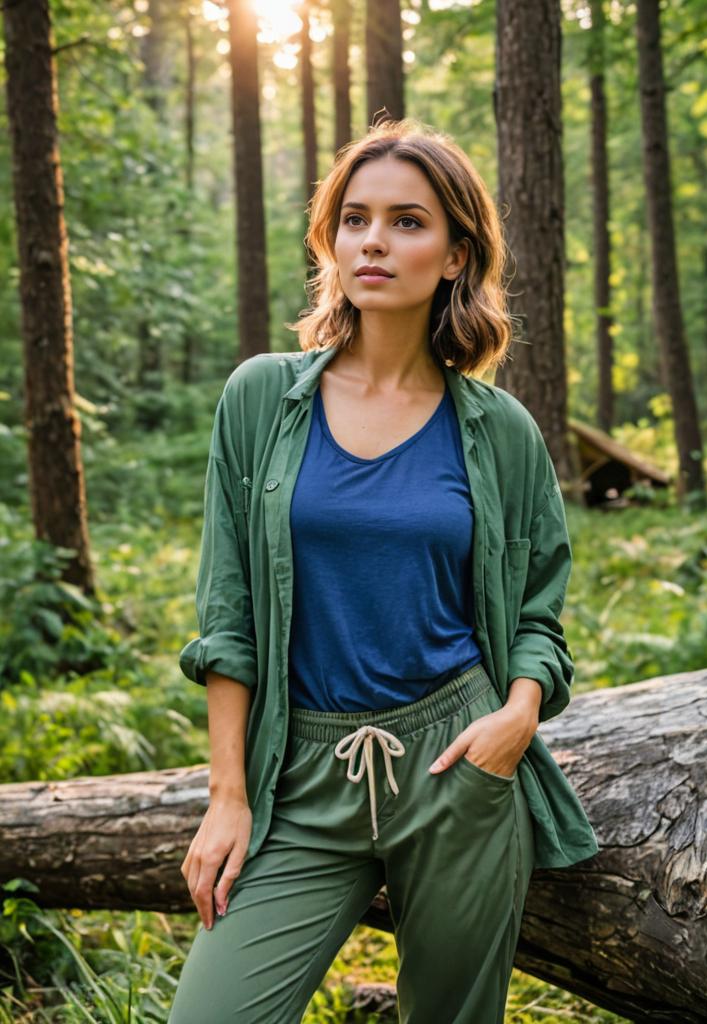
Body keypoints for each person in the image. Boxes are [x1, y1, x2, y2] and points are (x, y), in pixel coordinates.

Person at [168, 118, 599, 1024]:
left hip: (459, 766)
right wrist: (229, 797)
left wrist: (515, 717)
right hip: (301, 769)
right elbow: (228, 614)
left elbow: (538, 614)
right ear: (330, 240)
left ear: (453, 255)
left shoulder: (499, 431)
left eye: (408, 221)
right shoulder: (261, 400)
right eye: (355, 219)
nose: (375, 240)